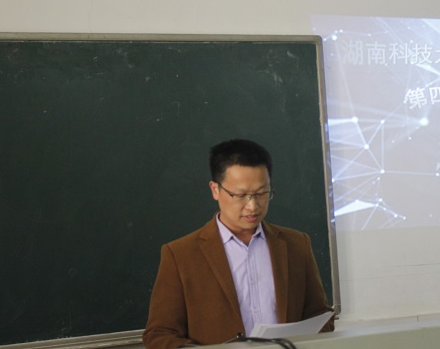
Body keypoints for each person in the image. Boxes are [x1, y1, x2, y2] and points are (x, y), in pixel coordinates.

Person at [143, 139, 334, 348]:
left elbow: (320, 317)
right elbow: (160, 334)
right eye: (241, 195)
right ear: (215, 190)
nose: (252, 206)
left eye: (261, 193)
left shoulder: (296, 245)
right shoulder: (180, 255)